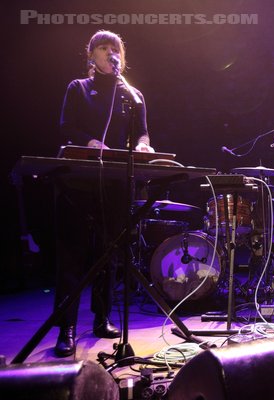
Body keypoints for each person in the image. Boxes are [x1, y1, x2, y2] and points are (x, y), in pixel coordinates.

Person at [54, 30, 154, 357]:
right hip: (80, 182)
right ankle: (66, 326)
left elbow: (142, 131)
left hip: (115, 182)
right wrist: (89, 141)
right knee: (73, 252)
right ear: (92, 57)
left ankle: (102, 317)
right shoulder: (78, 88)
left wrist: (142, 144)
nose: (111, 53)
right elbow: (66, 126)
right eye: (103, 48)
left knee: (110, 251)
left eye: (116, 49)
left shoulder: (132, 94)